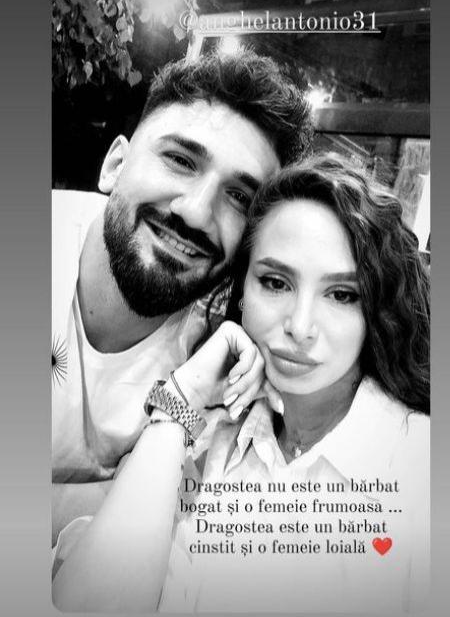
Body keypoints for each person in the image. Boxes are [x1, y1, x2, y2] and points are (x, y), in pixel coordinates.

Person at [52, 154, 430, 613]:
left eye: (341, 294)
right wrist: (182, 399)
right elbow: (90, 604)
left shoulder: (421, 468)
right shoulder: (210, 439)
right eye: (275, 283)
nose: (300, 327)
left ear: (376, 307)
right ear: (243, 292)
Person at [52, 51, 312, 541]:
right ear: (114, 164)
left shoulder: (219, 367)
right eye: (180, 160)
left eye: (239, 197)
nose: (195, 212)